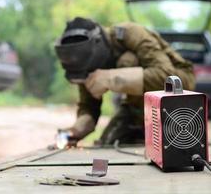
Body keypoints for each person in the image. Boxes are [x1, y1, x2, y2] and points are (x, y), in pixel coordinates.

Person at [54, 17, 195, 146]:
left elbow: (166, 76)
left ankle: (155, 127)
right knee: (105, 146)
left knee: (128, 60)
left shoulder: (129, 33)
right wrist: (75, 131)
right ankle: (140, 124)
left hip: (178, 90)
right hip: (135, 108)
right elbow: (89, 104)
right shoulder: (85, 64)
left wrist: (111, 79)